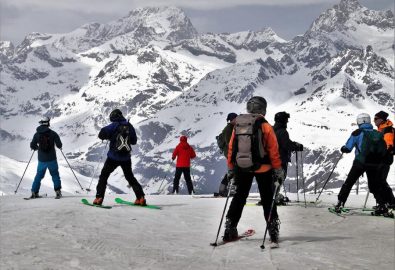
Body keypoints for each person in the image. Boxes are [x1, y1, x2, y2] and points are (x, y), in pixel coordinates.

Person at [224, 96, 284, 246]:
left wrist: (231, 168)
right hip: (263, 168)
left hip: (242, 167)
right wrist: (277, 169)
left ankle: (230, 227)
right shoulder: (265, 125)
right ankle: (273, 229)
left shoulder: (238, 124)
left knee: (239, 196)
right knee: (267, 197)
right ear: (263, 108)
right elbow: (273, 150)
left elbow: (231, 148)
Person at [336, 113, 390, 216]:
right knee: (374, 186)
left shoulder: (357, 132)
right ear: (369, 121)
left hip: (360, 162)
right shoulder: (377, 133)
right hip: (374, 163)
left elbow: (348, 148)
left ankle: (340, 204)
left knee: (349, 182)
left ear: (359, 121)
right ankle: (383, 206)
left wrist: (343, 148)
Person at [93, 109, 146, 206]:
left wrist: (110, 137)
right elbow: (134, 141)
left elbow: (101, 134)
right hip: (126, 158)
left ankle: (99, 197)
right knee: (130, 177)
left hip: (113, 157)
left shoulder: (114, 125)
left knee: (104, 176)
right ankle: (140, 197)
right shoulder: (129, 125)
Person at [257, 111, 303, 205]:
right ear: (284, 120)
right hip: (280, 159)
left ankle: (266, 198)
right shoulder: (282, 131)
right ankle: (272, 199)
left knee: (271, 180)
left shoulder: (271, 129)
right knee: (279, 179)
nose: (287, 121)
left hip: (269, 159)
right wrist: (297, 146)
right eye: (286, 119)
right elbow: (286, 144)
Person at [30, 117, 63, 199]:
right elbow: (59, 144)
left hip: (41, 159)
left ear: (41, 123)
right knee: (55, 174)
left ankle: (34, 192)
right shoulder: (53, 133)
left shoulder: (37, 134)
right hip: (52, 158)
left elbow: (32, 145)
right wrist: (59, 146)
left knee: (39, 176)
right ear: (48, 123)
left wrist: (38, 148)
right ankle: (58, 192)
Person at [373, 111, 395, 209]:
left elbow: (388, 145)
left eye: (376, 119)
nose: (374, 121)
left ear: (381, 119)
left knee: (380, 180)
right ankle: (389, 202)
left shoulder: (387, 129)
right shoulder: (382, 129)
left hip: (385, 158)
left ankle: (388, 202)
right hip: (384, 158)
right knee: (381, 180)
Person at [217, 113, 238, 197]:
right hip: (230, 152)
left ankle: (224, 189)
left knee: (233, 170)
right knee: (233, 170)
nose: (237, 120)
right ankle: (223, 189)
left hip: (231, 152)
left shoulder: (232, 127)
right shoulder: (228, 128)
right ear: (232, 119)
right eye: (235, 118)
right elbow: (230, 142)